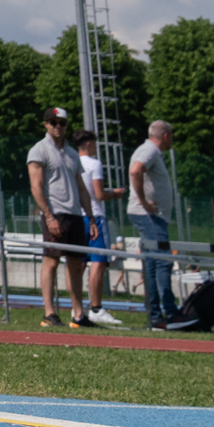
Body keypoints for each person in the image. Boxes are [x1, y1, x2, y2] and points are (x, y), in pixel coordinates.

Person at [27, 107, 92, 329]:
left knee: (76, 264)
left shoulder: (72, 153)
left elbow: (81, 188)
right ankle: (50, 313)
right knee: (51, 261)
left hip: (74, 215)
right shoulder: (39, 150)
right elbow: (36, 187)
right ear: (46, 124)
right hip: (54, 214)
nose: (57, 126)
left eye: (61, 123)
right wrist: (49, 216)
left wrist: (91, 218)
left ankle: (79, 315)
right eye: (53, 122)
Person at [126, 118, 182, 328]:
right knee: (163, 260)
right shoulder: (149, 150)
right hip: (148, 215)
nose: (172, 140)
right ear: (166, 135)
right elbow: (135, 171)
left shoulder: (150, 151)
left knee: (151, 263)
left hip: (151, 216)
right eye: (171, 136)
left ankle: (155, 314)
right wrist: (143, 202)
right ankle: (169, 311)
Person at [72, 127, 126, 328]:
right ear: (88, 144)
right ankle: (96, 308)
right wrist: (115, 194)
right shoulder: (94, 164)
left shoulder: (71, 162)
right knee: (98, 262)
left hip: (76, 216)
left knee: (78, 264)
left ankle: (76, 307)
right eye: (94, 144)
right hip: (94, 216)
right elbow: (99, 194)